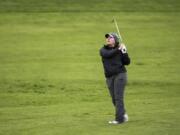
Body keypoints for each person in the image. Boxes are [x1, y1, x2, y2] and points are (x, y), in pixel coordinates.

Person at [99, 32, 130, 124]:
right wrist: (118, 49)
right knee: (114, 99)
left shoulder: (119, 50)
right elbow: (108, 54)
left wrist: (124, 52)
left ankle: (119, 119)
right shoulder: (103, 50)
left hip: (120, 75)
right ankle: (123, 115)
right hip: (109, 77)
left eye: (110, 37)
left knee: (118, 98)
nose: (108, 38)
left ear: (115, 40)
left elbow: (127, 62)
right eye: (107, 37)